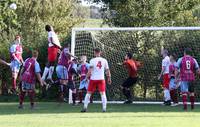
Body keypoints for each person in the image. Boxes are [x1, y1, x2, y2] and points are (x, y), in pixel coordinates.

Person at [81, 48, 111, 112]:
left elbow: (90, 70)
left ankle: (85, 108)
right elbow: (107, 70)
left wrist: (86, 78)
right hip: (101, 79)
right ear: (100, 52)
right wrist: (109, 78)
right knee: (103, 94)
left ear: (94, 52)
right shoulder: (104, 60)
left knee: (88, 93)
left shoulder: (92, 60)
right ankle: (104, 109)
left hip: (93, 79)